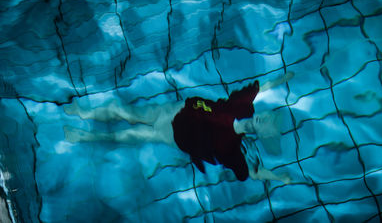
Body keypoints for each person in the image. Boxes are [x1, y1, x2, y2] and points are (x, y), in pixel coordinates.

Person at [64, 77, 292, 183]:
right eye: (268, 116)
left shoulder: (230, 148)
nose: (264, 119)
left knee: (127, 135)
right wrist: (283, 78)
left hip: (172, 136)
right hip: (175, 111)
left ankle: (86, 137)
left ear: (260, 135)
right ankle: (83, 113)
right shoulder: (242, 106)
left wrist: (278, 177)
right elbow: (259, 89)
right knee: (126, 112)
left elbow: (251, 172)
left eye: (268, 125)